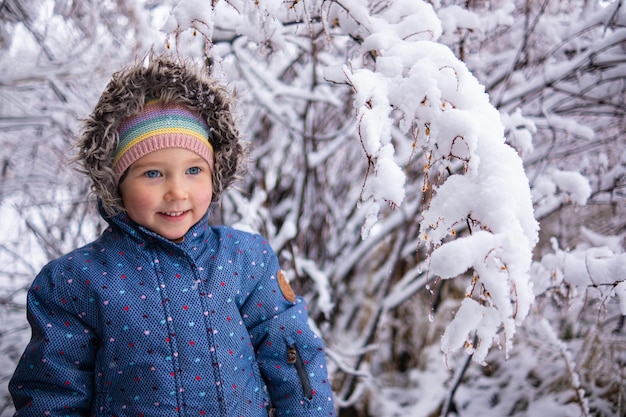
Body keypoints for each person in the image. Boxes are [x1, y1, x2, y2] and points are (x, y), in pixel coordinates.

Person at [9, 52, 335, 417]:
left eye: (194, 170)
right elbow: (53, 395)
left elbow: (293, 362)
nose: (177, 191)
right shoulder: (76, 282)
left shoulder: (245, 260)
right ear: (117, 183)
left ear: (215, 173)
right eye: (153, 174)